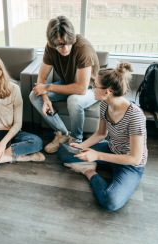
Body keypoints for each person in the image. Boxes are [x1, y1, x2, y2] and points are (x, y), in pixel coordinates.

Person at [57, 62, 148, 211]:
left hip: (130, 165)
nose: (91, 87)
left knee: (110, 202)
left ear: (107, 91)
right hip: (111, 149)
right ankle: (91, 163)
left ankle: (88, 171)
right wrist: (82, 146)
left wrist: (97, 156)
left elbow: (135, 158)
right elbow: (101, 134)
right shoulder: (105, 104)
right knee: (63, 152)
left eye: (95, 85)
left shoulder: (135, 116)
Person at [29, 15, 100, 153]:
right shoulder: (50, 48)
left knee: (74, 100)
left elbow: (81, 88)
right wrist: (45, 99)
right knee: (34, 95)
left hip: (92, 88)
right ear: (51, 43)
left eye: (68, 43)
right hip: (67, 84)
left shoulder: (83, 48)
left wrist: (48, 88)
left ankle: (76, 139)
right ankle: (62, 134)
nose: (65, 48)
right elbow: (42, 77)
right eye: (60, 45)